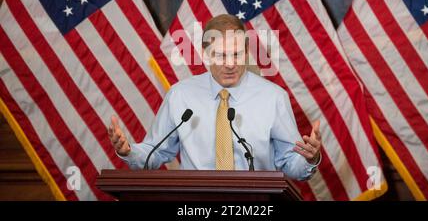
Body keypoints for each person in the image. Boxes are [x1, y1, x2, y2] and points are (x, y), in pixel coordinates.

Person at [108, 14, 321, 180]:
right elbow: (154, 153)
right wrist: (129, 152)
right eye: (221, 55)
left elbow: (291, 163)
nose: (230, 64)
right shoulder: (180, 95)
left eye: (237, 54)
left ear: (247, 50)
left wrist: (309, 159)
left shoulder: (273, 97)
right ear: (206, 53)